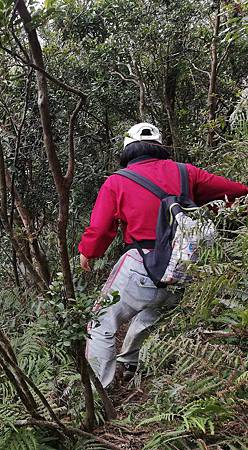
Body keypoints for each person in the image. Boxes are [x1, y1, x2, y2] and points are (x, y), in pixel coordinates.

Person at [79, 123, 248, 388]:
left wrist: (87, 253)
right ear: (159, 146)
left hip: (141, 264)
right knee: (154, 310)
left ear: (127, 151)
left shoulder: (117, 181)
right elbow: (238, 193)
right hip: (185, 262)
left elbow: (101, 230)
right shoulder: (186, 173)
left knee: (101, 322)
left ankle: (98, 391)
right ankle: (130, 361)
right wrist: (215, 212)